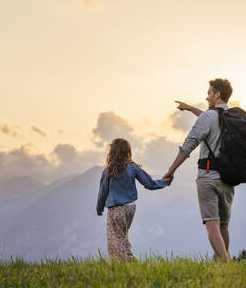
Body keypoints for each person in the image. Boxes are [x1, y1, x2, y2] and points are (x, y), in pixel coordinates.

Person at [163, 78, 235, 261]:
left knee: (212, 224)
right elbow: (208, 118)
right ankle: (221, 265)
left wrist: (170, 171)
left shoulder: (209, 117)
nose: (207, 96)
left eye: (209, 93)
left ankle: (225, 264)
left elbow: (188, 146)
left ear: (217, 94)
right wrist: (190, 108)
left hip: (208, 178)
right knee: (224, 225)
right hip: (229, 178)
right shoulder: (232, 116)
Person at [97, 138, 169, 259]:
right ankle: (129, 259)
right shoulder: (133, 168)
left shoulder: (108, 171)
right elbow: (149, 184)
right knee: (123, 235)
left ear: (111, 152)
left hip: (115, 210)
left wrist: (99, 208)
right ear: (128, 152)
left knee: (115, 239)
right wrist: (164, 182)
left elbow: (102, 192)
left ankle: (122, 263)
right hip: (131, 207)